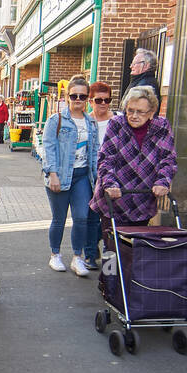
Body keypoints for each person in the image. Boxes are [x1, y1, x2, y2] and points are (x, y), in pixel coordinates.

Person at [90, 84, 177, 228]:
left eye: (140, 112)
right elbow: (106, 158)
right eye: (130, 110)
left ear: (151, 112)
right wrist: (110, 183)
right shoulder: (117, 124)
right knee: (115, 243)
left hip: (143, 199)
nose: (134, 116)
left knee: (137, 245)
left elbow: (168, 159)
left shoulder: (161, 127)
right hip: (114, 198)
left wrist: (163, 181)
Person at [41, 74, 99, 276]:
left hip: (83, 176)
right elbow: (48, 148)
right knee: (59, 218)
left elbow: (94, 152)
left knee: (81, 217)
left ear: (87, 98)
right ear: (67, 96)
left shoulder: (91, 123)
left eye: (82, 97)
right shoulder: (55, 120)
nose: (78, 100)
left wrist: (97, 177)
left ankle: (77, 257)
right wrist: (53, 173)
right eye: (74, 96)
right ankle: (55, 255)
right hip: (61, 174)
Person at [84, 81, 113, 268]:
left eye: (107, 100)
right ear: (90, 101)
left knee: (109, 217)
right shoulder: (85, 120)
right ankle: (91, 254)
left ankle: (110, 257)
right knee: (91, 215)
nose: (103, 103)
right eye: (99, 100)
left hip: (110, 174)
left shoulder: (117, 120)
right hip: (89, 173)